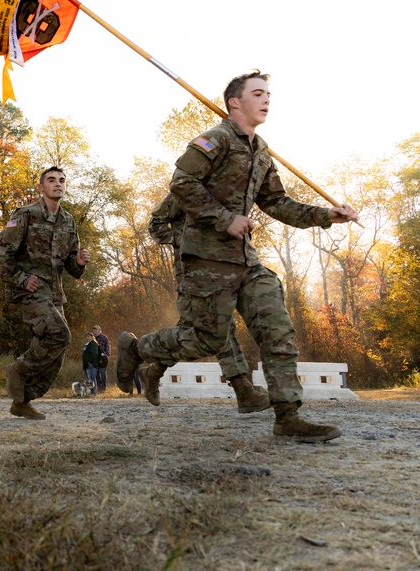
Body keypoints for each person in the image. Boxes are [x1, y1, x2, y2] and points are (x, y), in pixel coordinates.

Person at [128, 71, 358, 442]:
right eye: (257, 94)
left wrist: (325, 216)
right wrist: (224, 219)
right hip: (205, 260)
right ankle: (139, 348)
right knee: (206, 339)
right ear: (235, 102)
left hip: (245, 260)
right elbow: (181, 183)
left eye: (268, 94)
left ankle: (288, 416)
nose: (266, 100)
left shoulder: (261, 150)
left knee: (277, 329)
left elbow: (277, 203)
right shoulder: (214, 139)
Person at [116, 194, 269, 413]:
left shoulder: (228, 189)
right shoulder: (189, 188)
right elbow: (155, 224)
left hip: (224, 265)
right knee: (220, 325)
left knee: (194, 327)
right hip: (194, 269)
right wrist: (185, 238)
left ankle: (152, 370)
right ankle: (242, 389)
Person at [0, 166, 91, 420]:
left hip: (55, 293)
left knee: (57, 352)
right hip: (29, 290)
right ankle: (18, 369)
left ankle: (22, 401)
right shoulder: (25, 215)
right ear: (41, 187)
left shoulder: (68, 221)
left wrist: (79, 262)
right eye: (51, 180)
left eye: (61, 180)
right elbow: (2, 252)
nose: (57, 184)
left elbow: (70, 263)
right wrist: (22, 279)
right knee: (61, 334)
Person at [92, 325, 110, 393]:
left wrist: (106, 355)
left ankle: (103, 387)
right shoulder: (92, 338)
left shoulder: (104, 337)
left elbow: (107, 346)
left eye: (96, 330)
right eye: (94, 330)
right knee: (96, 373)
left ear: (99, 330)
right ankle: (98, 386)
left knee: (103, 373)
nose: (95, 331)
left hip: (102, 358)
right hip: (95, 359)